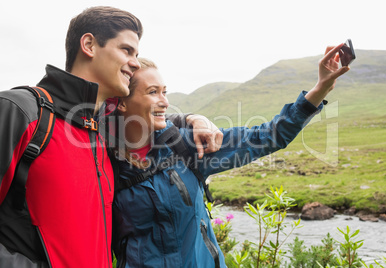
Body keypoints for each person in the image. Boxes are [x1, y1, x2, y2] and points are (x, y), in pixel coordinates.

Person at [0, 6, 222, 268]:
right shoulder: (22, 112)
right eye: (126, 50)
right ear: (90, 45)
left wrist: (190, 118)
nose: (136, 63)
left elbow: (145, 119)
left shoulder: (101, 131)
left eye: (136, 54)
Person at [111, 46, 349, 268]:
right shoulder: (102, 160)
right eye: (153, 93)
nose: (165, 102)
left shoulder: (187, 147)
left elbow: (267, 137)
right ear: (121, 102)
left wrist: (319, 91)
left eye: (164, 92)